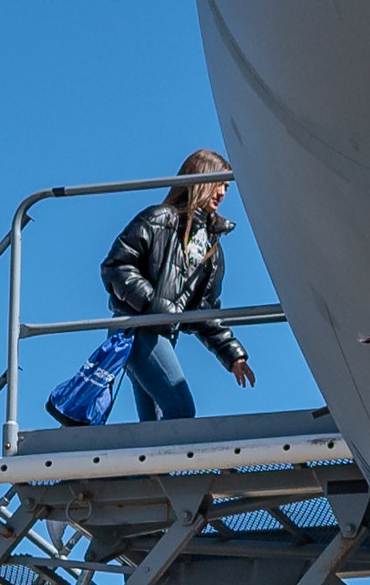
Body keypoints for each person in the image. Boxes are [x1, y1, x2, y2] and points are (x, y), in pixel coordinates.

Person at [100, 151, 256, 422]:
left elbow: (205, 312)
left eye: (227, 187)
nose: (222, 193)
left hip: (162, 337)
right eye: (218, 183)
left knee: (155, 427)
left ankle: (155, 467)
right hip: (135, 329)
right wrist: (154, 305)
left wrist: (233, 355)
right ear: (200, 179)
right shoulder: (160, 219)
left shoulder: (212, 249)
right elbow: (115, 266)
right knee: (180, 410)